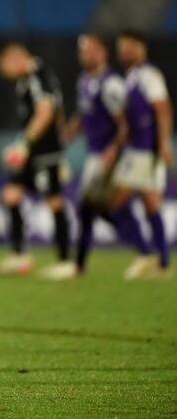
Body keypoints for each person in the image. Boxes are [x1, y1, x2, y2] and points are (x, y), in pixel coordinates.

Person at [64, 34, 150, 274]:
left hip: (108, 156)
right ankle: (143, 251)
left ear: (103, 52)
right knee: (98, 208)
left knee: (90, 207)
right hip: (95, 154)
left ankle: (80, 265)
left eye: (91, 49)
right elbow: (84, 113)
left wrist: (113, 149)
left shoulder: (111, 83)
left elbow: (125, 122)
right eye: (83, 50)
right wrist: (70, 132)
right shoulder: (84, 81)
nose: (86, 54)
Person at [0, 42, 73, 280]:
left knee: (54, 201)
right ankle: (20, 256)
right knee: (10, 195)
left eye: (3, 66)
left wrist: (24, 144)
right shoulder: (26, 80)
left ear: (14, 57)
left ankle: (65, 261)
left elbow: (46, 112)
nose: (3, 72)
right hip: (33, 153)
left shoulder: (39, 75)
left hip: (43, 152)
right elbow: (59, 114)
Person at [109, 30, 173, 279]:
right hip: (135, 150)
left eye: (129, 46)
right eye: (121, 47)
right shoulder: (131, 76)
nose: (124, 51)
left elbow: (162, 110)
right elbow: (130, 120)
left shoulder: (149, 75)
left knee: (116, 203)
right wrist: (117, 144)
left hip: (146, 151)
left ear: (141, 47)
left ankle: (149, 256)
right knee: (149, 204)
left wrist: (164, 144)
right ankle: (161, 263)